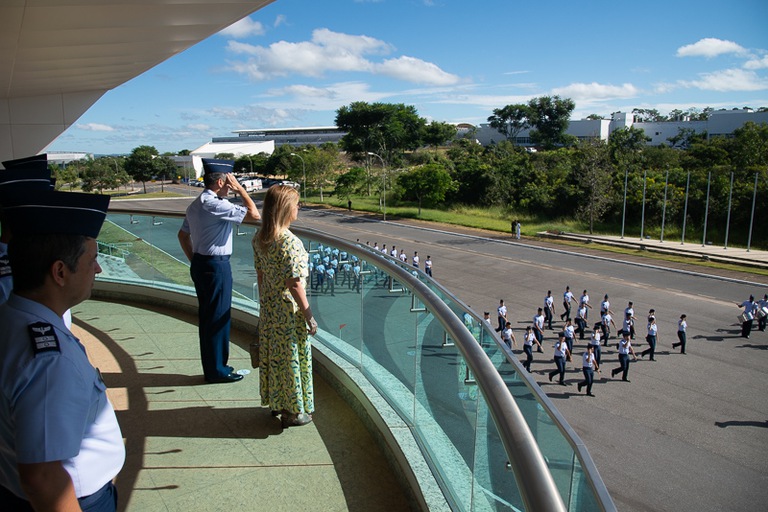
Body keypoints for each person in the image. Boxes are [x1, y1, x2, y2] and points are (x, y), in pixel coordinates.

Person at [0, 190, 125, 511]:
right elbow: (42, 476)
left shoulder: (12, 319)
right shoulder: (49, 359)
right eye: (90, 260)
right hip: (78, 499)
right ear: (59, 272)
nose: (97, 270)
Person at [178, 158, 260, 384]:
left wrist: (195, 259)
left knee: (210, 317)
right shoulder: (215, 204)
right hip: (216, 266)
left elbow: (183, 236)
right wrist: (242, 190)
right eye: (231, 181)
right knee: (218, 319)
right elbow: (255, 215)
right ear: (223, 181)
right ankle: (217, 371)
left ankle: (216, 366)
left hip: (204, 264)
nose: (232, 184)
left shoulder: (197, 203)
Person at [253, 185, 316, 428]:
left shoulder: (260, 239)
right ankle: (293, 410)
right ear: (285, 208)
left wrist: (265, 305)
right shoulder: (290, 242)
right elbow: (295, 284)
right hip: (288, 312)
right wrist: (309, 315)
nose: (298, 207)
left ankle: (277, 402)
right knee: (292, 358)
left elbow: (260, 276)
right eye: (296, 204)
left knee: (275, 357)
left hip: (270, 309)